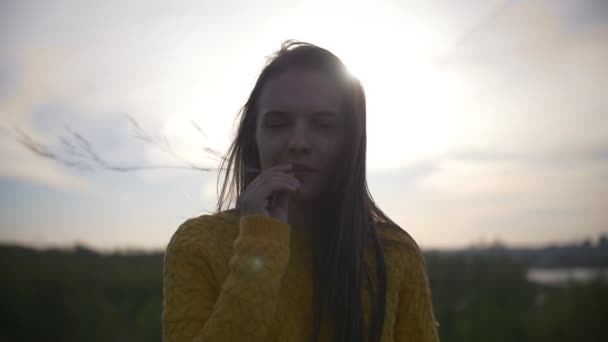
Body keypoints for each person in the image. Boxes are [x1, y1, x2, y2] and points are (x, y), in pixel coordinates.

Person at [162, 40, 440, 342]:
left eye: (323, 125)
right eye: (278, 124)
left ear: (351, 140)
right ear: (254, 137)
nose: (299, 142)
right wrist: (260, 240)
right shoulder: (198, 246)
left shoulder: (393, 255)